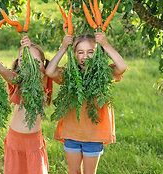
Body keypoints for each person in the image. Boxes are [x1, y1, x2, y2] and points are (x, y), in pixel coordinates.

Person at [45, 32, 127, 174]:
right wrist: (63, 48)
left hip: (94, 136)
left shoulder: (103, 74)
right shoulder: (69, 75)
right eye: (80, 52)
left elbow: (122, 67)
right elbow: (50, 71)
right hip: (72, 134)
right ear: (74, 54)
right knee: (74, 172)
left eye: (91, 52)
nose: (85, 56)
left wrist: (105, 44)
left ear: (97, 54)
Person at [0, 35, 55, 174]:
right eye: (22, 58)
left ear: (43, 63)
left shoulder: (43, 80)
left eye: (32, 59)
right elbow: (2, 70)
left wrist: (29, 46)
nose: (27, 62)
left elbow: (47, 71)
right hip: (14, 140)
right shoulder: (17, 81)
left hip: (34, 142)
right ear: (18, 63)